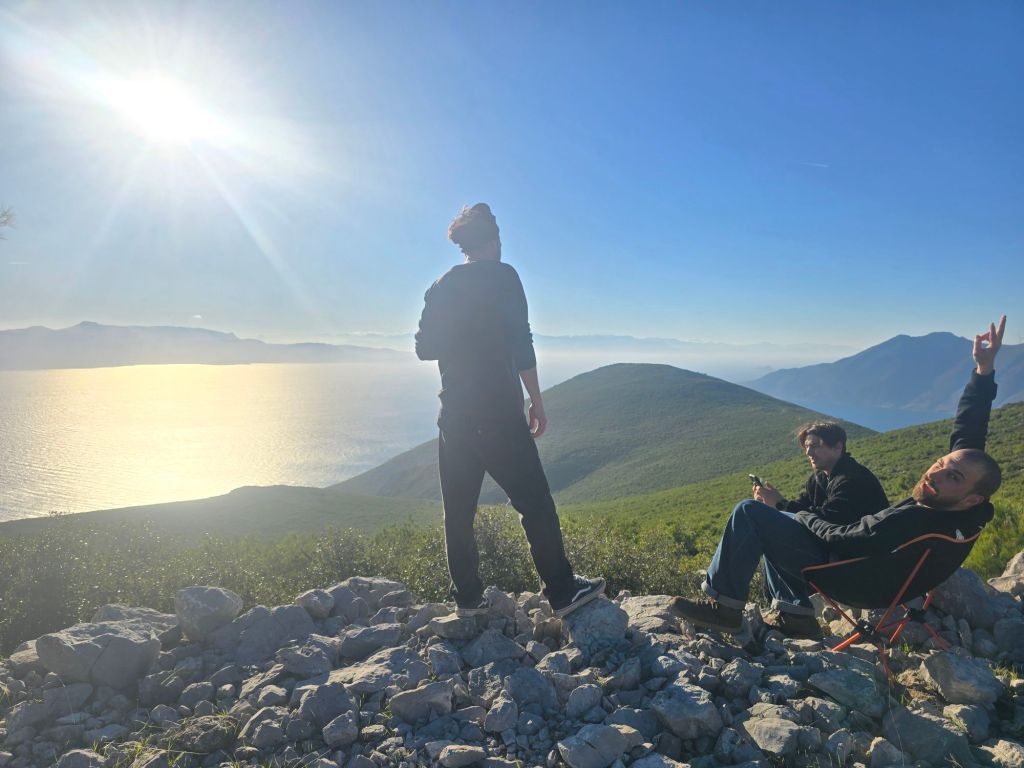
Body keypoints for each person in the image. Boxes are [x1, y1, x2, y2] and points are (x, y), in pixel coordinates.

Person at [670, 316, 1006, 639]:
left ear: (972, 497)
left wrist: (790, 512)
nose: (936, 473)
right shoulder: (966, 506)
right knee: (773, 517)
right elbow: (968, 437)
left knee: (749, 513)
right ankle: (796, 616)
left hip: (853, 578)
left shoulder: (915, 518)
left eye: (952, 476)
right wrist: (984, 370)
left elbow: (842, 537)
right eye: (941, 463)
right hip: (878, 573)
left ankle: (724, 608)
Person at [415, 203, 605, 618]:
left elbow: (423, 348)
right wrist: (536, 400)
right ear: (494, 241)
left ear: (465, 245)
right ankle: (562, 591)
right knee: (534, 502)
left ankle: (467, 599)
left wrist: (459, 336)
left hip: (453, 415)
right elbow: (522, 342)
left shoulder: (441, 285)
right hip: (498, 412)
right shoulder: (504, 277)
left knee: (458, 512)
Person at [754, 421, 889, 526]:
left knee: (748, 508)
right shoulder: (818, 479)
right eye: (806, 447)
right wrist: (770, 504)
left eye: (814, 446)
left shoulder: (853, 478)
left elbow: (830, 519)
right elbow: (803, 507)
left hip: (858, 550)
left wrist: (781, 504)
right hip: (827, 545)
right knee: (755, 512)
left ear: (838, 446)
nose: (808, 453)